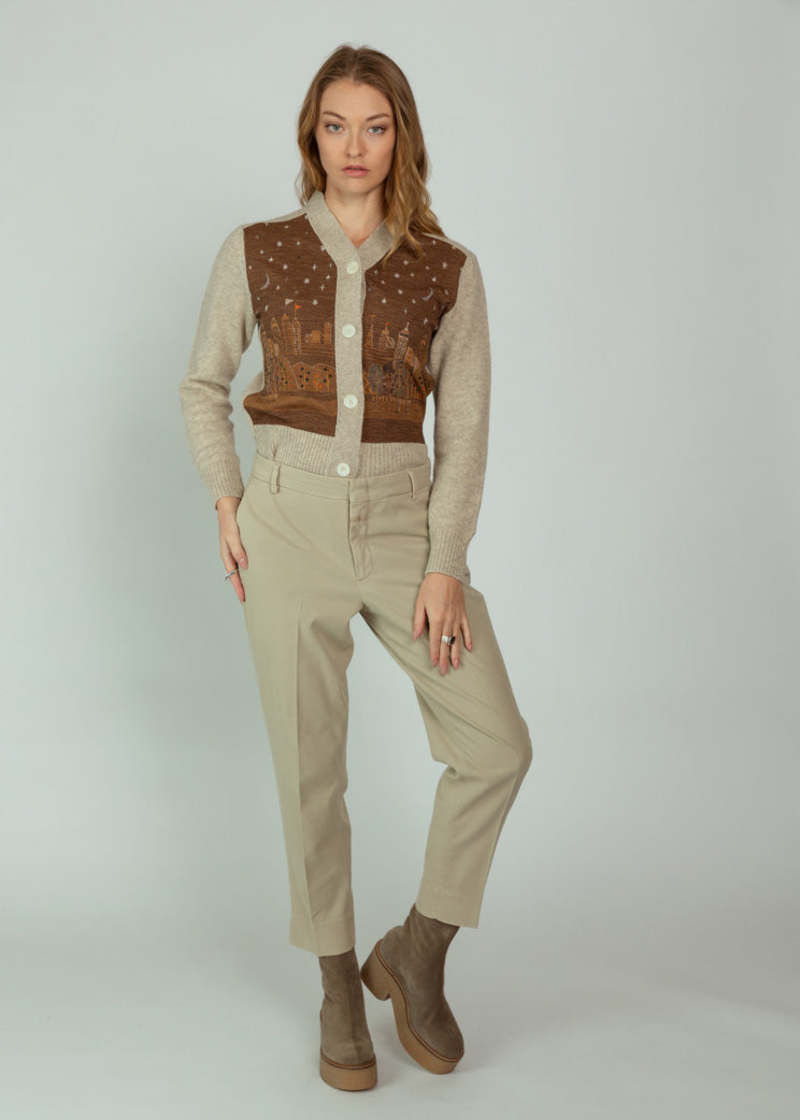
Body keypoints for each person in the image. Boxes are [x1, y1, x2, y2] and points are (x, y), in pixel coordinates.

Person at [178, 43, 533, 1092]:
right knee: (310, 768)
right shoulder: (258, 249)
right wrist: (227, 495)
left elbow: (463, 432)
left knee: (496, 744)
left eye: (374, 127)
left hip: (401, 525)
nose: (354, 147)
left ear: (400, 137)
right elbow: (203, 382)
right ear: (312, 134)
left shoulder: (447, 270)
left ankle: (416, 949)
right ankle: (337, 980)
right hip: (285, 519)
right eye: (335, 125)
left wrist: (445, 561)